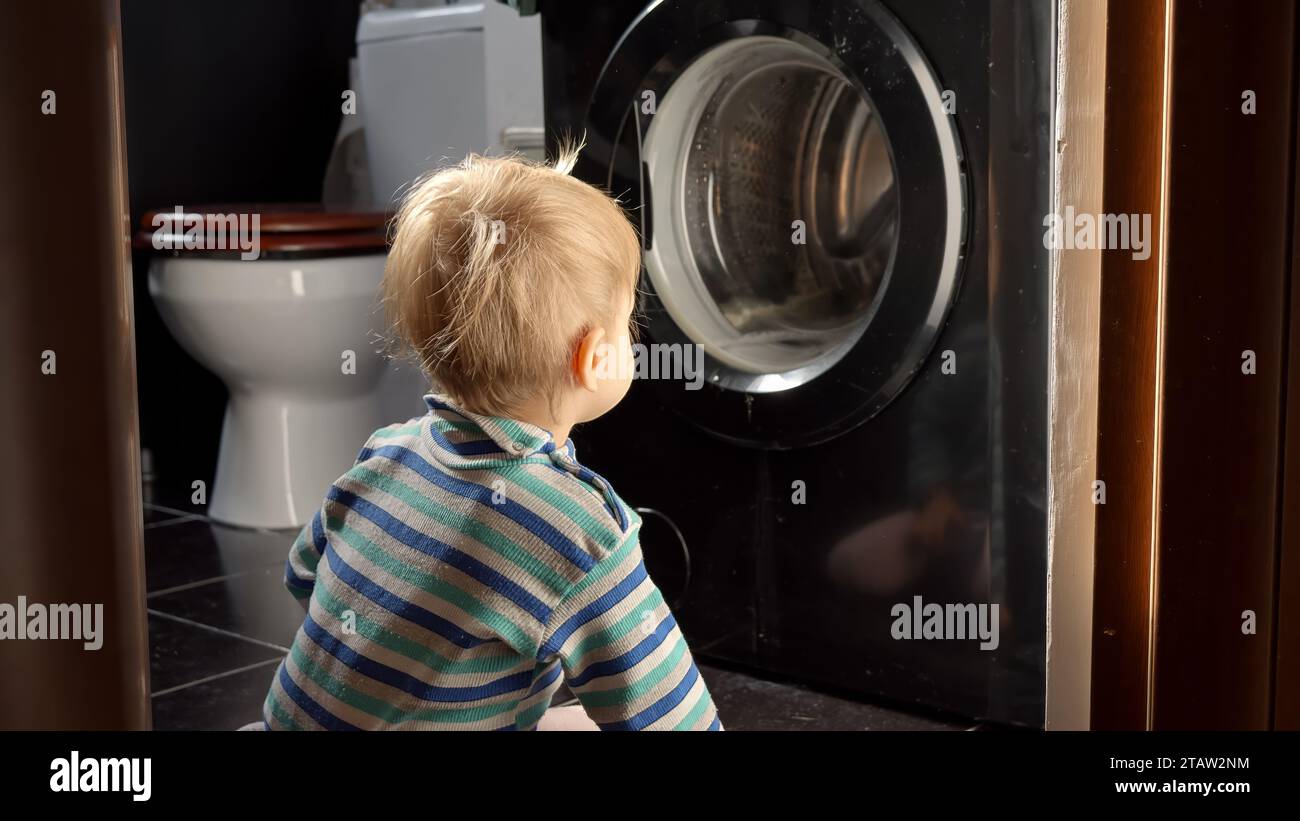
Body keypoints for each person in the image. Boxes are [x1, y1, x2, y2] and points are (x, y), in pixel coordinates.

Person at [259, 145, 722, 731]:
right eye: (628, 323)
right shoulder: (579, 533)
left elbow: (303, 575)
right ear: (593, 359)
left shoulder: (388, 452)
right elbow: (672, 719)